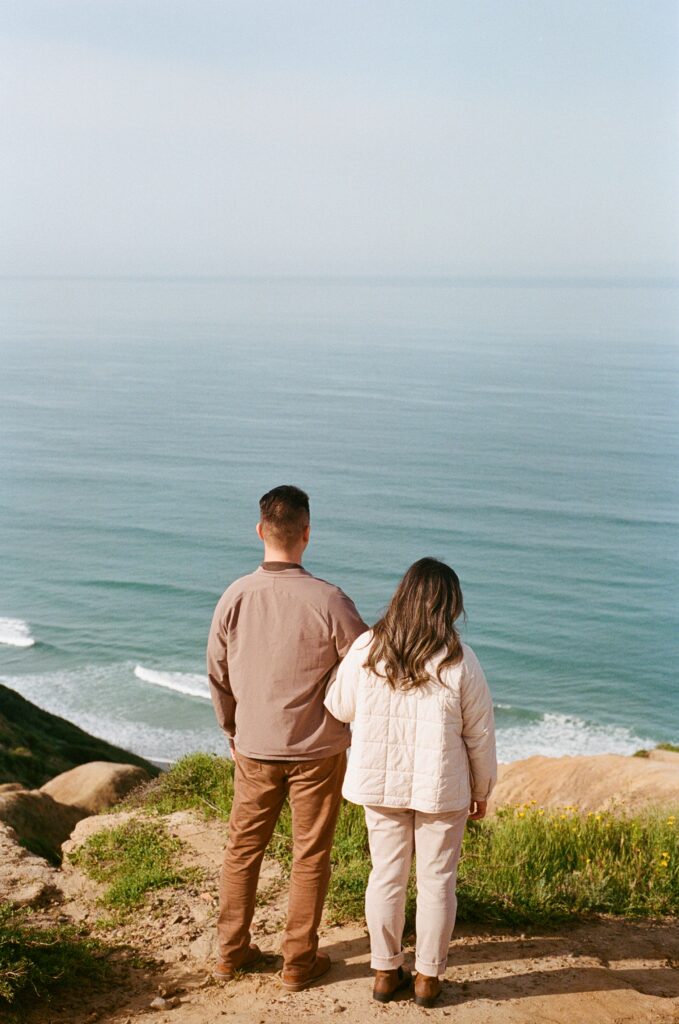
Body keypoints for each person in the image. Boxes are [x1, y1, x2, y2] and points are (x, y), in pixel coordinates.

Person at [206, 485, 367, 991]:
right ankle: (297, 963)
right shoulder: (329, 599)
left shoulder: (235, 595)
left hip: (253, 746)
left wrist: (231, 729)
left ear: (260, 531)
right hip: (317, 749)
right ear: (307, 533)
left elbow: (217, 671)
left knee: (242, 849)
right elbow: (366, 664)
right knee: (310, 853)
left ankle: (230, 954)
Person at [324, 557, 496, 1008]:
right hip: (442, 787)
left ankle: (384, 971)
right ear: (449, 605)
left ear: (402, 595)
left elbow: (339, 708)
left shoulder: (366, 649)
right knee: (438, 881)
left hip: (379, 786)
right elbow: (479, 733)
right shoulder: (460, 659)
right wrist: (482, 788)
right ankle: (427, 979)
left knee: (386, 876)